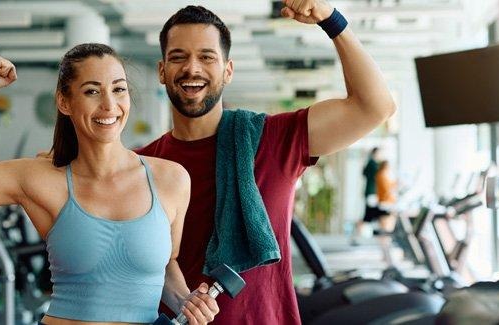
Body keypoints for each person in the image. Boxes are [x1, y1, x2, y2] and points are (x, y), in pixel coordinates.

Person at [0, 44, 220, 324]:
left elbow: (164, 265)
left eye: (119, 89)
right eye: (92, 91)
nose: (109, 105)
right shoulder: (40, 179)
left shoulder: (171, 179)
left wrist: (186, 301)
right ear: (64, 102)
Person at [135, 1, 396, 324]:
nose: (192, 68)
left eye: (207, 57)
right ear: (162, 71)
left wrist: (331, 20)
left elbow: (375, 107)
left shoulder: (272, 138)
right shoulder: (141, 166)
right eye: (178, 57)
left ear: (228, 70)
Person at [353, 147, 382, 245]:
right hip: (372, 193)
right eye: (380, 153)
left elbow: (364, 173)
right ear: (375, 153)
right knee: (368, 217)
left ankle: (356, 236)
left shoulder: (371, 163)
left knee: (368, 216)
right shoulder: (373, 164)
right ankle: (356, 236)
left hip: (371, 192)